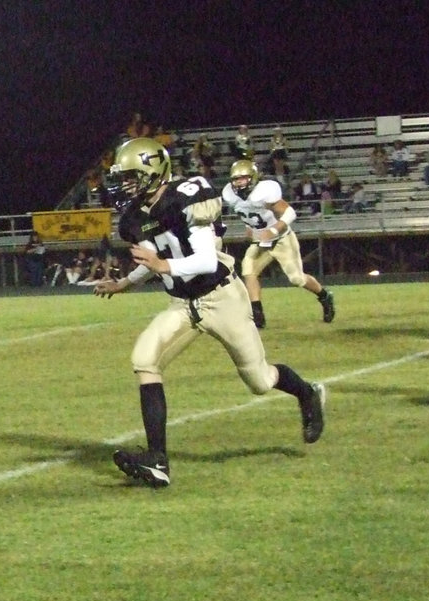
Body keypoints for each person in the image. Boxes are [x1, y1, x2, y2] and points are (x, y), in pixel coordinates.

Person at [93, 138, 325, 488]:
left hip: (221, 297)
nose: (124, 185)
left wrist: (161, 265)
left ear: (153, 172)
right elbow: (152, 260)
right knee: (144, 359)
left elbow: (202, 260)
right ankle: (157, 461)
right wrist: (124, 282)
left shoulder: (189, 196)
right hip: (183, 304)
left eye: (131, 177)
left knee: (260, 381)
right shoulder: (134, 218)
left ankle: (307, 393)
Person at [222, 160, 335, 328]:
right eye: (236, 179)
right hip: (261, 240)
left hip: (281, 239)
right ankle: (257, 315)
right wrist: (248, 227)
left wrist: (274, 230)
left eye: (242, 178)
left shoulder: (264, 191)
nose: (238, 183)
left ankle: (325, 296)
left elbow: (290, 213)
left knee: (297, 278)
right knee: (249, 271)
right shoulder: (230, 194)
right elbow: (248, 212)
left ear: (252, 178)